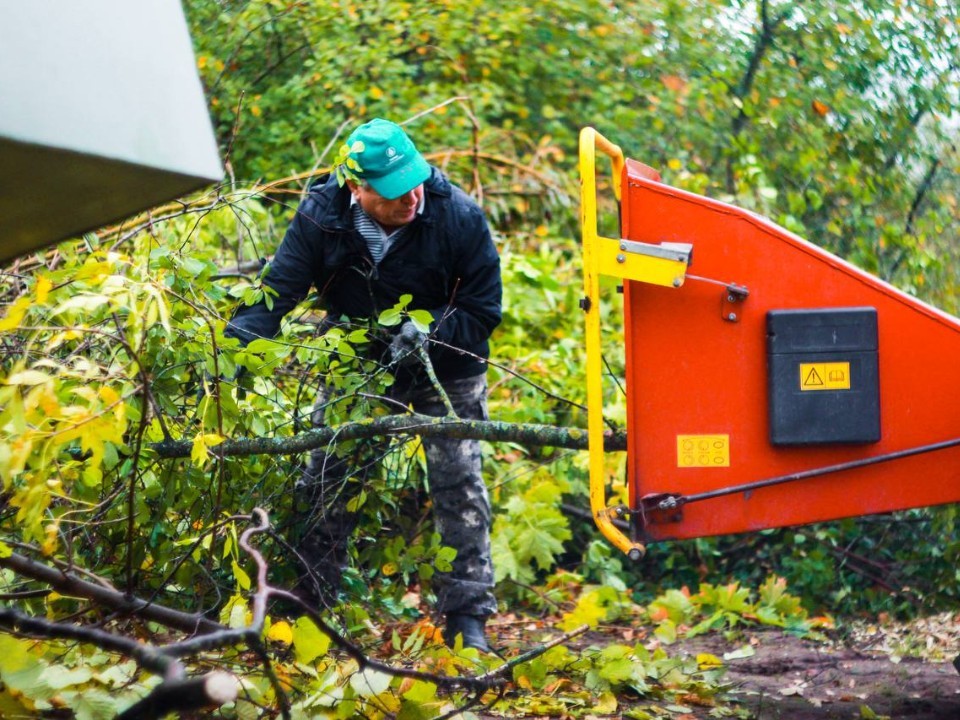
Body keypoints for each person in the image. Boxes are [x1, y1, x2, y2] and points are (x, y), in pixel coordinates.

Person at [224, 118, 501, 652]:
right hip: (361, 360)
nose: (412, 197)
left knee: (458, 484)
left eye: (416, 180)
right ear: (358, 189)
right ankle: (313, 601)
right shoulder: (322, 216)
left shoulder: (458, 216)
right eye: (396, 191)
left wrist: (431, 333)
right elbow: (279, 289)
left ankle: (468, 620)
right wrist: (234, 348)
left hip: (449, 366)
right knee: (330, 475)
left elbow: (483, 309)